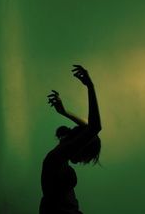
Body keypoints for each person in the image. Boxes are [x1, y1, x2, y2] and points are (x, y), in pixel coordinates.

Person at [39, 65, 102, 214]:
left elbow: (89, 128)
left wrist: (65, 112)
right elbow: (93, 127)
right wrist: (90, 87)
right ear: (82, 147)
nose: (81, 161)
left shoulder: (58, 160)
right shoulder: (56, 158)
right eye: (85, 157)